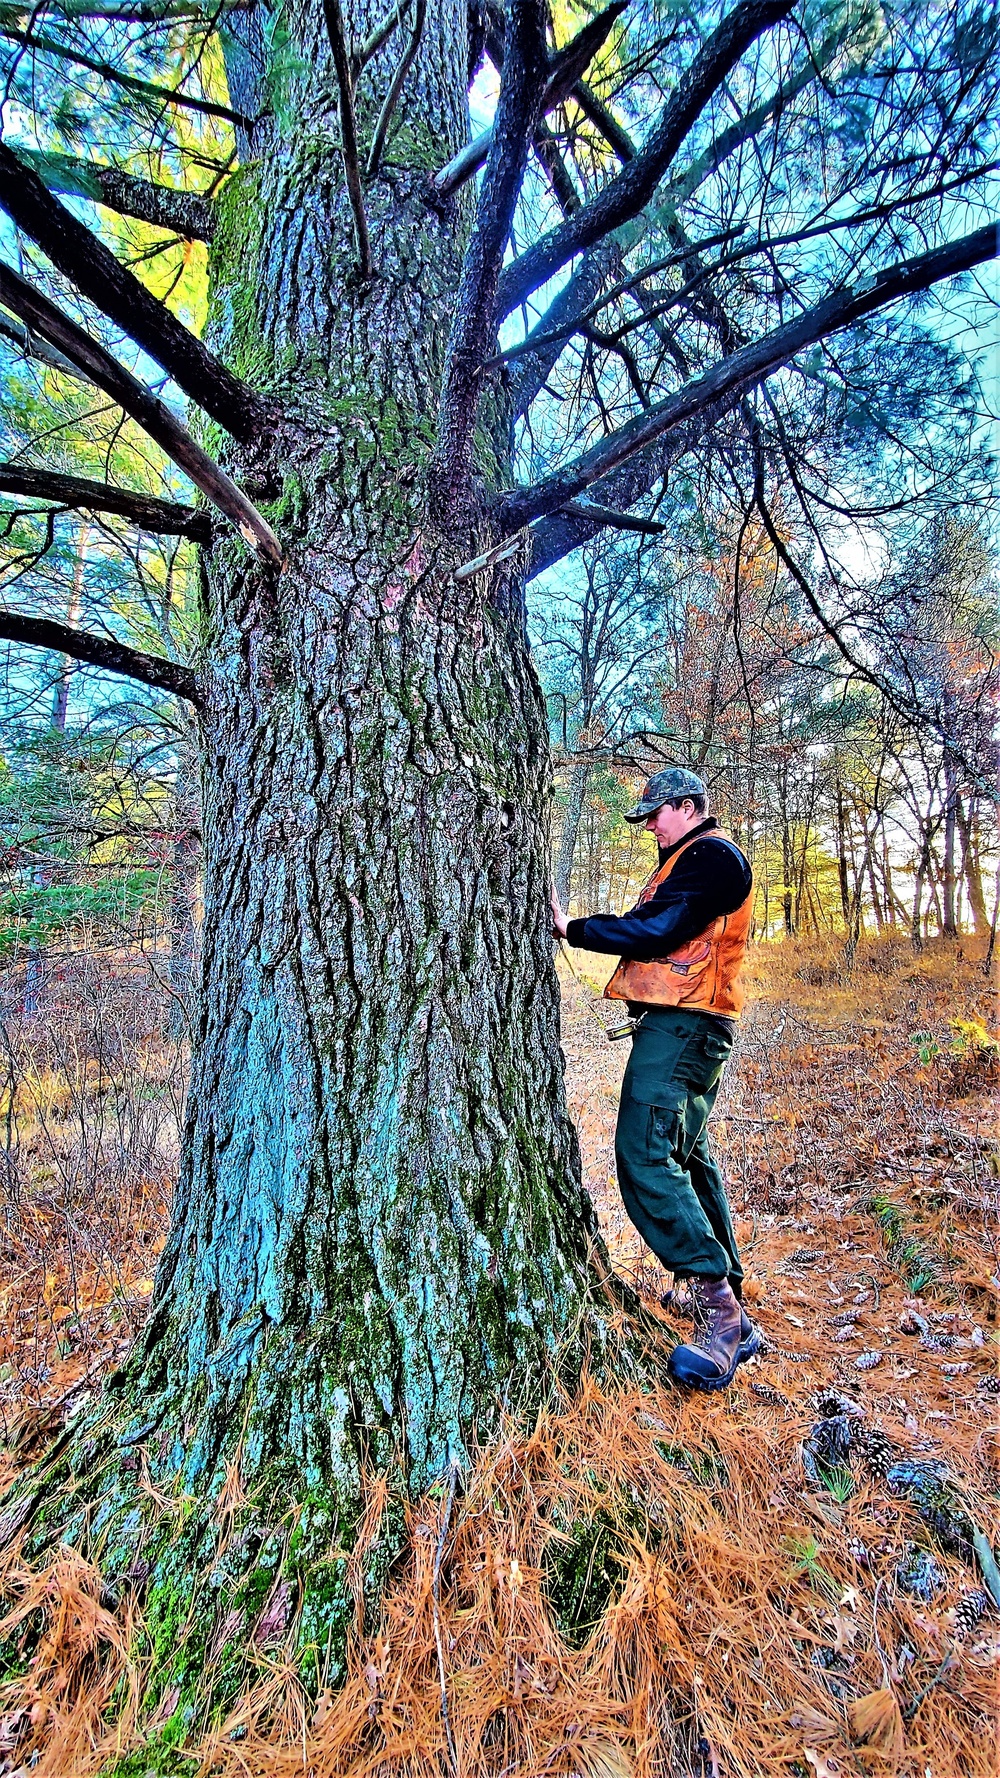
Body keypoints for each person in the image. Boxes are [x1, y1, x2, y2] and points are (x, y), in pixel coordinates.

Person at [551, 767, 761, 1391]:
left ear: (691, 808)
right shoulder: (686, 862)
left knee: (644, 1154)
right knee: (686, 1156)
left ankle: (720, 1315)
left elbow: (662, 931)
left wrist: (576, 929)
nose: (649, 825)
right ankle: (732, 1300)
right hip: (683, 1025)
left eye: (657, 813)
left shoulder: (713, 858)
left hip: (685, 1028)